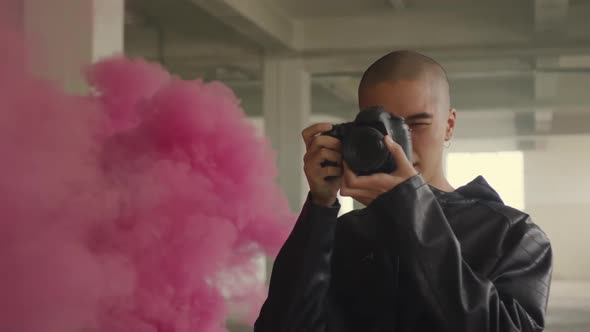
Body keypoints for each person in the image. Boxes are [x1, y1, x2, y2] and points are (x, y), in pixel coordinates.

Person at [253, 50, 553, 332]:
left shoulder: (513, 234)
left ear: (449, 125)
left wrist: (413, 209)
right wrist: (320, 207)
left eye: (416, 125)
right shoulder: (344, 233)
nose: (396, 144)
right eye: (383, 128)